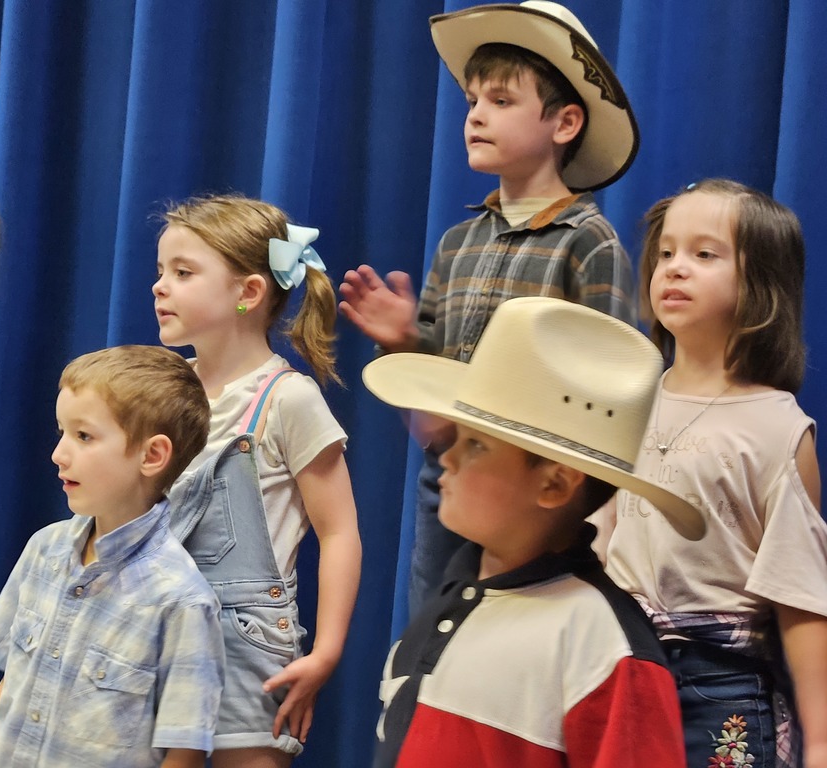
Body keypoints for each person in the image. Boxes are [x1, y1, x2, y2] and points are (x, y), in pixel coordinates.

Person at [339, 0, 640, 616]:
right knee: (435, 631)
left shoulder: (588, 242)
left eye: (501, 101)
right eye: (472, 101)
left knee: (521, 631)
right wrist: (402, 343)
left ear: (564, 123)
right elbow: (430, 406)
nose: (475, 115)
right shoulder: (458, 241)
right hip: (449, 477)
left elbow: (604, 402)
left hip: (538, 496)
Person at [363, 296, 698, 767]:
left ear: (555, 484)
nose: (449, 457)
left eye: (476, 444)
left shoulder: (604, 646)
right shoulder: (456, 595)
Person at [601, 179, 827, 768]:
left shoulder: (779, 428)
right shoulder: (621, 401)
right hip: (615, 663)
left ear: (761, 282)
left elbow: (801, 598)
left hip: (721, 685)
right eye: (667, 252)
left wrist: (821, 740)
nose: (676, 269)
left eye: (704, 254)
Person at [153, 194, 362, 766]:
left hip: (245, 646)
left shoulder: (289, 398)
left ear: (248, 293)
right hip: (158, 628)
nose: (160, 286)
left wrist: (326, 651)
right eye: (161, 272)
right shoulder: (165, 389)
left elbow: (339, 531)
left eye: (183, 272)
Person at [0, 345, 224, 768]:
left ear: (152, 455)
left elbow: (184, 752)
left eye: (84, 436)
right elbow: (8, 687)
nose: (59, 454)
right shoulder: (43, 551)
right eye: (62, 433)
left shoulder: (182, 601)